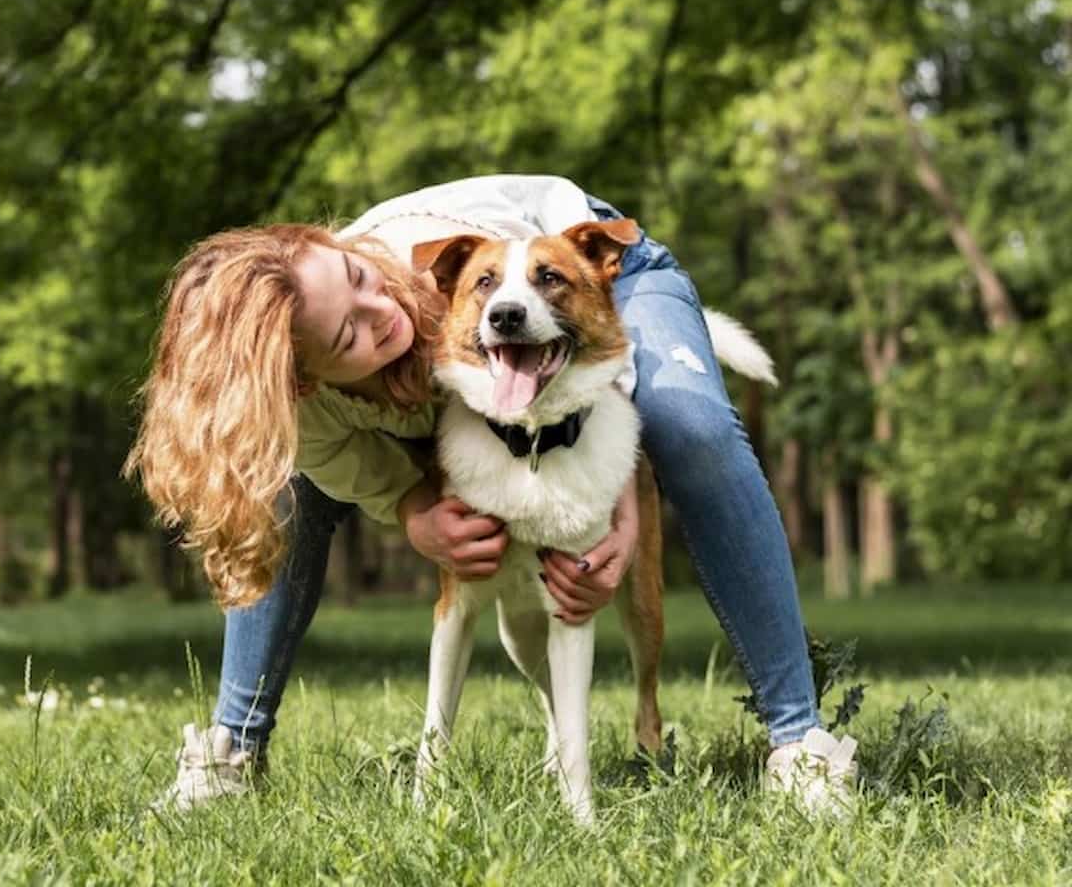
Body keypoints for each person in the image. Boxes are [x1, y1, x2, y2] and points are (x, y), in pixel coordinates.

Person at [125, 175, 857, 814]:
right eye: (349, 333)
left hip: (592, 271)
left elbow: (590, 362)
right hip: (508, 361)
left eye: (355, 276)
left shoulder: (446, 266)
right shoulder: (306, 412)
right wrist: (415, 513)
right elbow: (361, 466)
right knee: (285, 485)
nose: (379, 310)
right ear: (305, 383)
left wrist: (621, 513)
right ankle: (232, 749)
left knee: (691, 427)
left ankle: (801, 743)